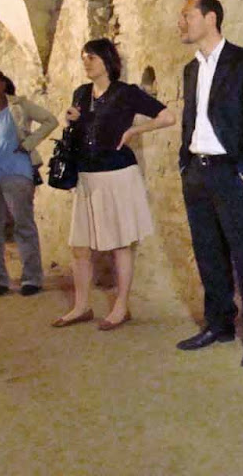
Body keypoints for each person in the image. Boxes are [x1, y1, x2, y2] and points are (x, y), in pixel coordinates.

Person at [176, 0, 243, 367]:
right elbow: (191, 120)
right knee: (208, 253)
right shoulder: (191, 69)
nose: (181, 22)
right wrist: (185, 163)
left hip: (230, 172)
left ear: (211, 18)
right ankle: (218, 324)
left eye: (187, 15)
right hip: (197, 171)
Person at [52, 38, 175, 329]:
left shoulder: (125, 93)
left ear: (107, 60)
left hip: (117, 173)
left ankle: (121, 306)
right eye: (84, 58)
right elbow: (83, 129)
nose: (86, 63)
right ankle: (81, 306)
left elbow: (167, 116)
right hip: (87, 175)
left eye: (91, 58)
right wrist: (72, 121)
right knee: (80, 245)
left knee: (120, 243)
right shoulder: (81, 93)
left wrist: (134, 131)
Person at [0, 69, 58, 297]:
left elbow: (50, 121)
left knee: (23, 224)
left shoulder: (20, 106)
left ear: (3, 83)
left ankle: (32, 278)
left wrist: (29, 143)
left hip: (17, 171)